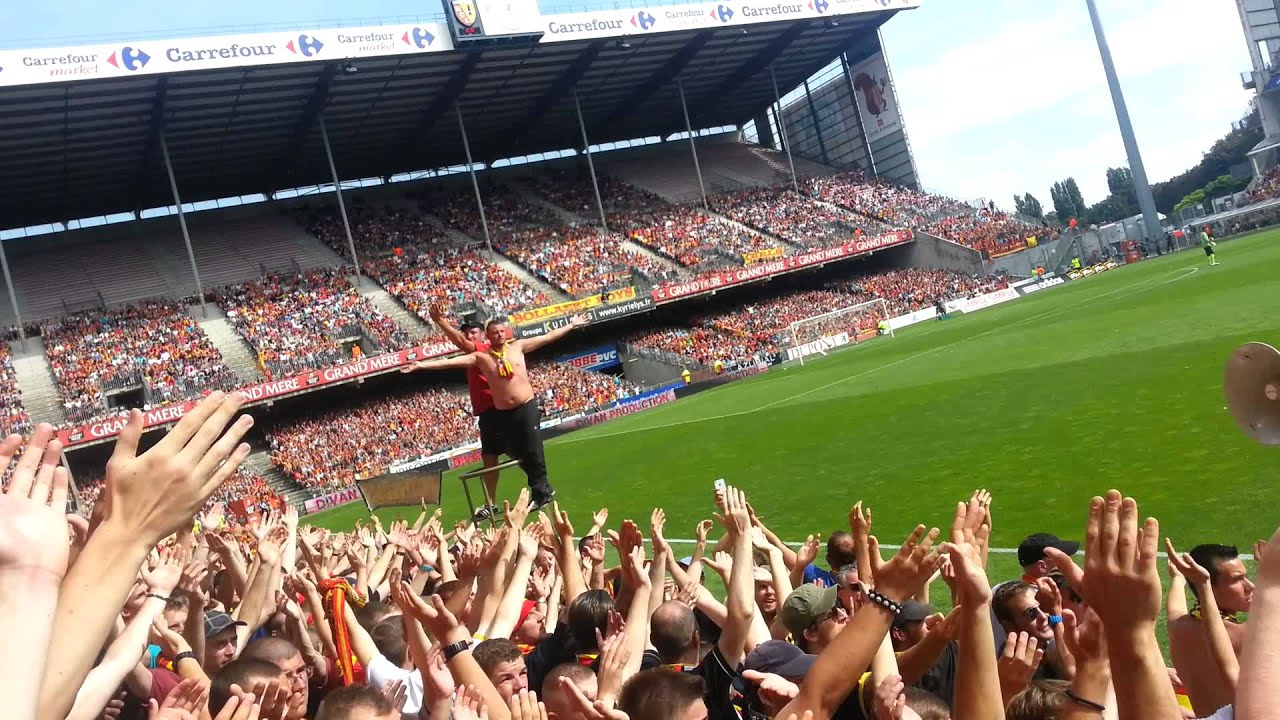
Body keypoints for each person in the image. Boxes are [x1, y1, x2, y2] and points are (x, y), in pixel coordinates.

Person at [403, 314, 590, 509]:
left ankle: (541, 492)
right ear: (489, 337)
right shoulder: (482, 357)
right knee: (517, 452)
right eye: (495, 333)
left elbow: (548, 337)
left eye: (502, 331)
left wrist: (571, 325)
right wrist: (421, 365)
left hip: (526, 405)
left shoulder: (518, 346)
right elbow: (450, 362)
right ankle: (531, 492)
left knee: (533, 448)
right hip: (504, 413)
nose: (500, 335)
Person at [427, 306, 504, 521]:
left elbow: (462, 344)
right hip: (487, 413)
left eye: (474, 333)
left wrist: (441, 322)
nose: (469, 336)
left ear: (483, 335)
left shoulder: (484, 348)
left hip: (497, 410)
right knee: (490, 459)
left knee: (511, 455)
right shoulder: (473, 356)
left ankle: (539, 488)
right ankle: (491, 503)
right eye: (467, 333)